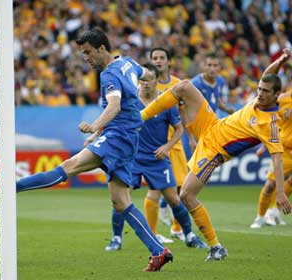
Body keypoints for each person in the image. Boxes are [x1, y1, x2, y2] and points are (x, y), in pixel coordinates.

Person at [10, 27, 173, 272]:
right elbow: (148, 74)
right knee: (121, 201)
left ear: (102, 49)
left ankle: (13, 187)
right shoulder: (128, 63)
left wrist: (94, 127)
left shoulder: (108, 74)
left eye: (88, 53)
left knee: (69, 166)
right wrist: (143, 91)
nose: (85, 58)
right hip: (127, 138)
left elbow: (114, 105)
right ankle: (159, 251)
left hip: (117, 137)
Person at [139, 48, 292, 261]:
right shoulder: (259, 100)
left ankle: (215, 246)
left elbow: (276, 156)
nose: (260, 93)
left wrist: (281, 192)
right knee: (183, 86)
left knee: (186, 195)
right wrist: (282, 60)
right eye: (259, 89)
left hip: (215, 151)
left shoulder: (271, 125)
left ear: (276, 94)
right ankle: (140, 117)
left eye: (266, 91)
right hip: (210, 124)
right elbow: (268, 72)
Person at [104, 63, 207, 252]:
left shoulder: (166, 103)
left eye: (148, 80)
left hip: (157, 159)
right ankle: (116, 239)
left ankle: (190, 236)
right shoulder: (130, 102)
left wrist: (167, 147)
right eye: (141, 80)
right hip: (132, 158)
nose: (144, 84)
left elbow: (179, 129)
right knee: (119, 198)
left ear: (156, 81)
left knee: (174, 199)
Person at [149, 47, 190, 241]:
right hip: (155, 143)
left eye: (161, 58)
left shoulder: (178, 84)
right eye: (154, 58)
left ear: (168, 61)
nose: (158, 61)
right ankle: (152, 232)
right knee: (156, 189)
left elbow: (183, 113)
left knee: (181, 188)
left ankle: (176, 229)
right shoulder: (146, 84)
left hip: (175, 142)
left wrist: (190, 135)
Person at [250, 89, 292, 228]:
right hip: (284, 150)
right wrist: (263, 147)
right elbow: (270, 121)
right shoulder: (283, 99)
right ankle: (260, 217)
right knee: (270, 185)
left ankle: (273, 211)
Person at [191, 52, 235, 117]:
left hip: (212, 119)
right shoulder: (195, 83)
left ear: (219, 67)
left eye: (215, 65)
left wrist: (227, 110)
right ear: (204, 66)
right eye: (209, 65)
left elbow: (215, 98)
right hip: (199, 121)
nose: (212, 69)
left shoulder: (220, 81)